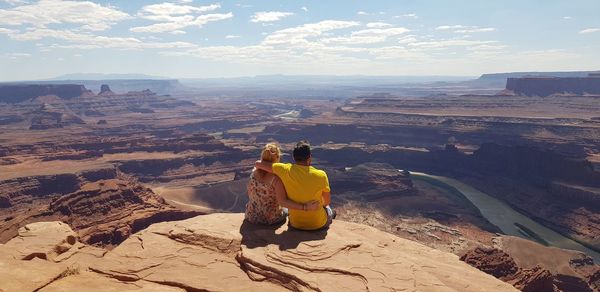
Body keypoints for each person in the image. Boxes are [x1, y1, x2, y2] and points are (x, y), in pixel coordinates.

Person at [255, 140, 334, 231]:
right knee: (329, 209)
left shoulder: (284, 169)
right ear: (309, 159)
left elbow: (258, 164)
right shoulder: (321, 175)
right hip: (318, 224)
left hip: (295, 224)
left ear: (294, 158)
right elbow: (326, 202)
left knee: (285, 209)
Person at [245, 143, 320, 225]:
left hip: (251, 215)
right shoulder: (276, 179)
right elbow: (283, 202)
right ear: (277, 157)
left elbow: (250, 192)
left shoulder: (253, 173)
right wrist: (305, 207)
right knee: (286, 210)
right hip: (269, 218)